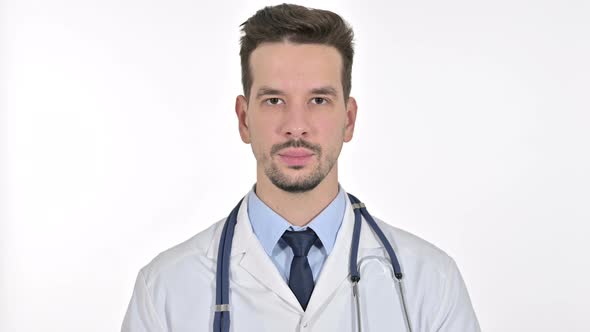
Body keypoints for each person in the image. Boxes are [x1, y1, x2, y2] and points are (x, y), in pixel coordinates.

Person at [122, 3, 481, 332]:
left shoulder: (431, 284)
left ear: (349, 119)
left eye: (318, 100)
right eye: (274, 100)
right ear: (244, 119)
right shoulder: (164, 291)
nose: (296, 125)